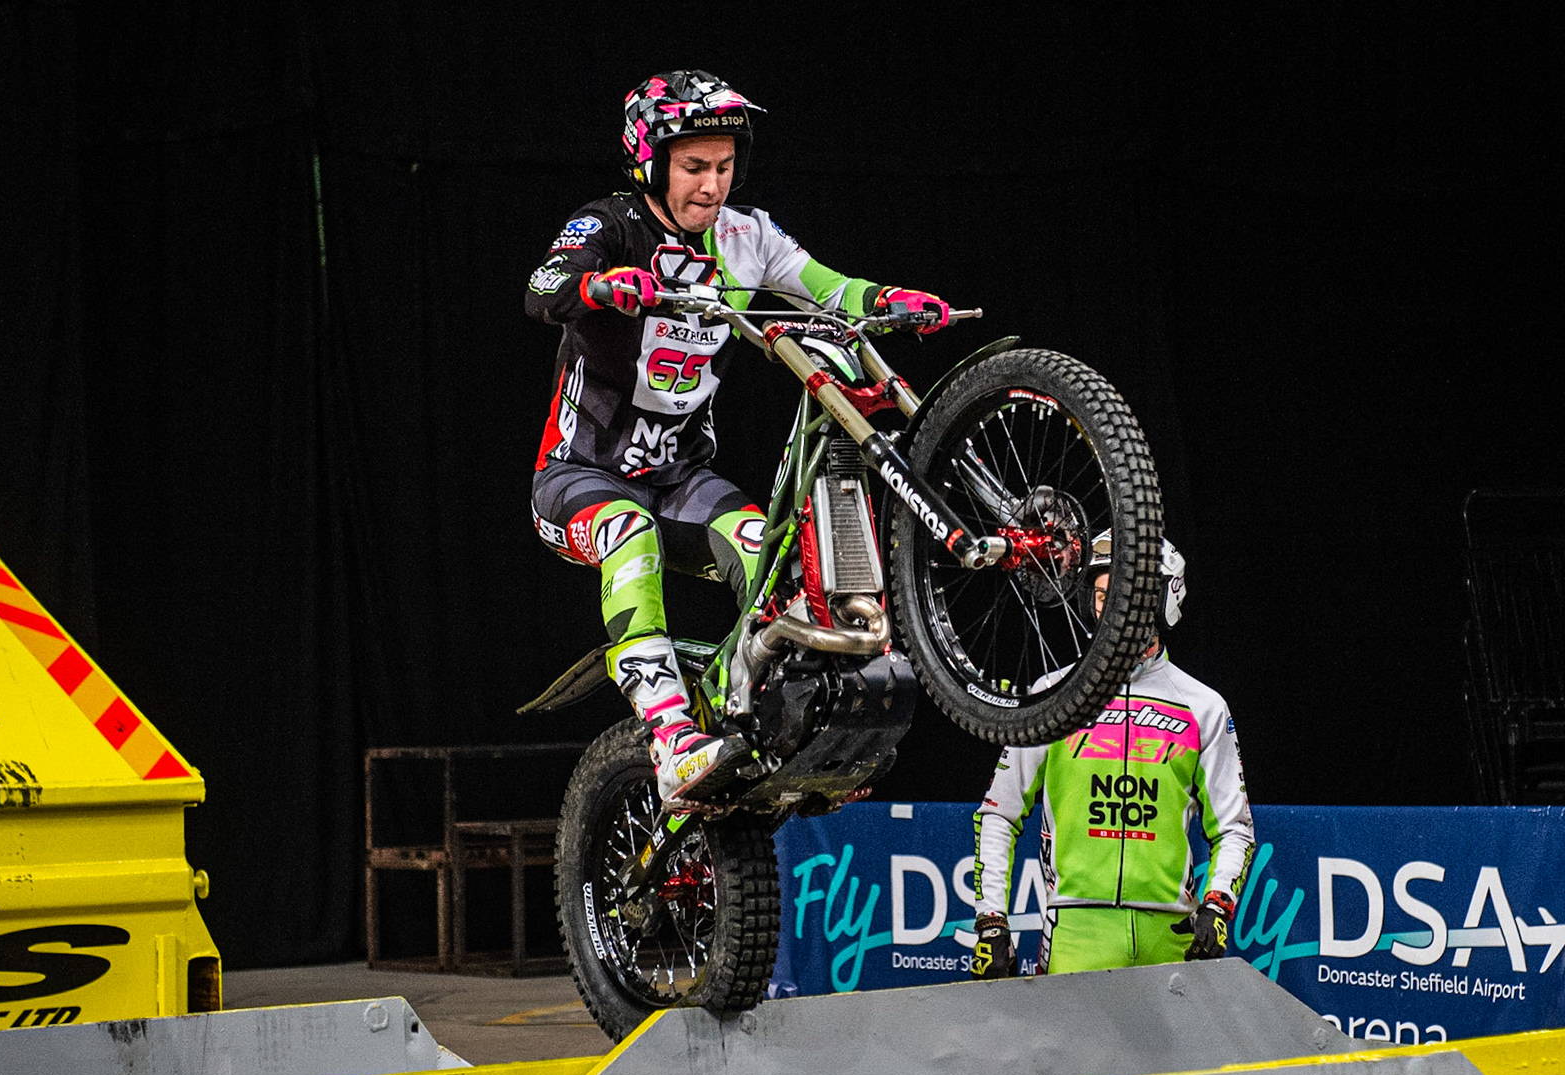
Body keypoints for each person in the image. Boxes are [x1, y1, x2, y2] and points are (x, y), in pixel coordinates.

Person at [524, 70, 948, 806]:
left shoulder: (748, 237)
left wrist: (890, 299)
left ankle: (778, 728)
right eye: (694, 167)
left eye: (724, 166)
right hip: (578, 477)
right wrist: (601, 286)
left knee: (774, 556)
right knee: (629, 534)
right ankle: (670, 738)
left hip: (682, 481)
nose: (712, 185)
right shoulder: (610, 224)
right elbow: (540, 285)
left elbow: (827, 286)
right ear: (650, 163)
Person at [970, 536, 1255, 978]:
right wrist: (991, 922)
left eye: (1130, 595)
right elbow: (998, 814)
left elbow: (1235, 828)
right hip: (1076, 933)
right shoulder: (1052, 695)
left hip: (1171, 936)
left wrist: (1218, 905)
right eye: (1104, 595)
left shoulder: (1204, 706)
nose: (1115, 609)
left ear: (1163, 602)